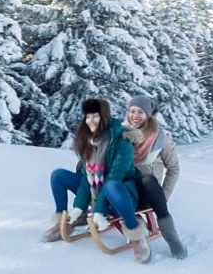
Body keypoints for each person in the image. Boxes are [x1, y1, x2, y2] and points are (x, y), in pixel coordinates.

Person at [41, 98, 152, 263]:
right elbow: (87, 179)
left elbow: (114, 177)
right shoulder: (91, 141)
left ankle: (136, 235)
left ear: (104, 117)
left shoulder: (123, 142)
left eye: (95, 116)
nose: (90, 121)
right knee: (58, 175)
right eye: (87, 116)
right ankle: (65, 222)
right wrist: (78, 208)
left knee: (112, 185)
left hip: (121, 194)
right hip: (97, 192)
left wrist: (98, 211)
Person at [122, 95, 187, 259]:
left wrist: (162, 197)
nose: (135, 116)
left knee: (148, 180)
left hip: (149, 193)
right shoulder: (121, 135)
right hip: (125, 191)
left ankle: (170, 235)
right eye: (132, 111)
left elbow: (173, 169)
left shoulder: (160, 139)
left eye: (140, 112)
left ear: (149, 115)